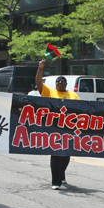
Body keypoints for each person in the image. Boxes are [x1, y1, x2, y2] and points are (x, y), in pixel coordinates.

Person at [36, 59, 80, 190]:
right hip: (54, 128)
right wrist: (40, 68)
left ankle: (61, 174)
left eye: (62, 81)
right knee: (55, 154)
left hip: (68, 129)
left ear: (66, 84)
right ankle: (56, 181)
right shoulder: (49, 92)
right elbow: (38, 82)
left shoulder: (73, 95)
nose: (60, 83)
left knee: (66, 155)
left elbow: (79, 110)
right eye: (58, 81)